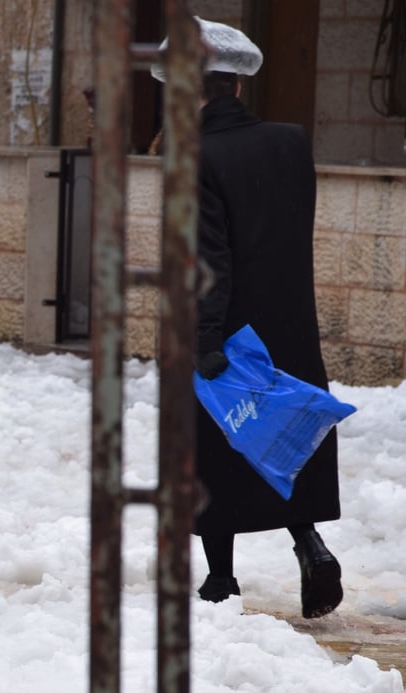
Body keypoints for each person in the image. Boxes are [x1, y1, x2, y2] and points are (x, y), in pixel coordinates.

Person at [153, 19, 345, 618]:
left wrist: (205, 340)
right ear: (237, 86)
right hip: (289, 323)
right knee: (288, 436)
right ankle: (310, 546)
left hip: (229, 331)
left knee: (220, 445)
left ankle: (219, 581)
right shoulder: (291, 142)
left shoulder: (194, 157)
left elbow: (208, 259)